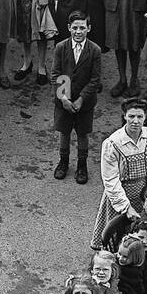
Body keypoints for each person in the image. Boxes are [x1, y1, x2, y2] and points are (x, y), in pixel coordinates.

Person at [89, 99, 147, 248]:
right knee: (118, 234)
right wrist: (125, 207)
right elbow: (110, 179)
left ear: (145, 117)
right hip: (121, 192)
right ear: (125, 116)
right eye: (131, 116)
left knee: (143, 233)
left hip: (143, 191)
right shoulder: (113, 143)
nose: (135, 121)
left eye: (140, 117)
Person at [50, 11, 102, 183]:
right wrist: (64, 99)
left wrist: (81, 99)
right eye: (75, 28)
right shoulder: (60, 48)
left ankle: (82, 165)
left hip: (84, 103)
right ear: (68, 28)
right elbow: (56, 74)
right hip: (63, 102)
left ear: (89, 28)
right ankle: (63, 162)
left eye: (82, 28)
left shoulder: (94, 50)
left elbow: (95, 79)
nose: (78, 32)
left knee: (82, 133)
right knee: (64, 133)